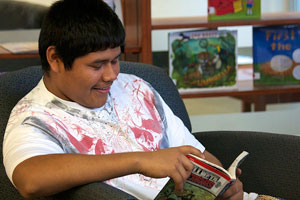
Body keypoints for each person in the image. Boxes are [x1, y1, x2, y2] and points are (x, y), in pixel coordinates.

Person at [3, 0, 244, 199]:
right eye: (97, 65)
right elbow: (31, 179)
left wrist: (224, 185)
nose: (111, 76)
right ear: (55, 59)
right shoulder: (34, 118)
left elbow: (198, 155)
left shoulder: (137, 87)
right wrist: (141, 160)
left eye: (115, 60)